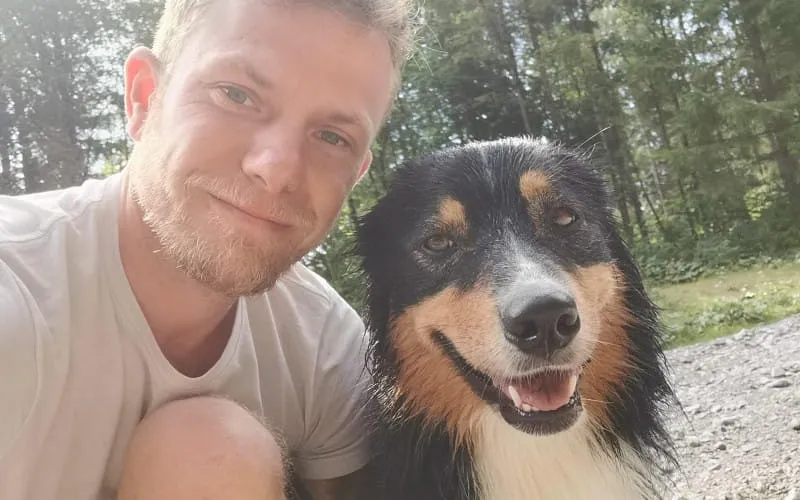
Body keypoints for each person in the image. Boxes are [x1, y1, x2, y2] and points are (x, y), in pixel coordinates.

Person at [0, 0, 416, 498]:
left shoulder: (325, 346)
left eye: (333, 137)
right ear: (144, 97)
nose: (276, 168)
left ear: (357, 172)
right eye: (235, 95)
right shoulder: (17, 289)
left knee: (211, 447)